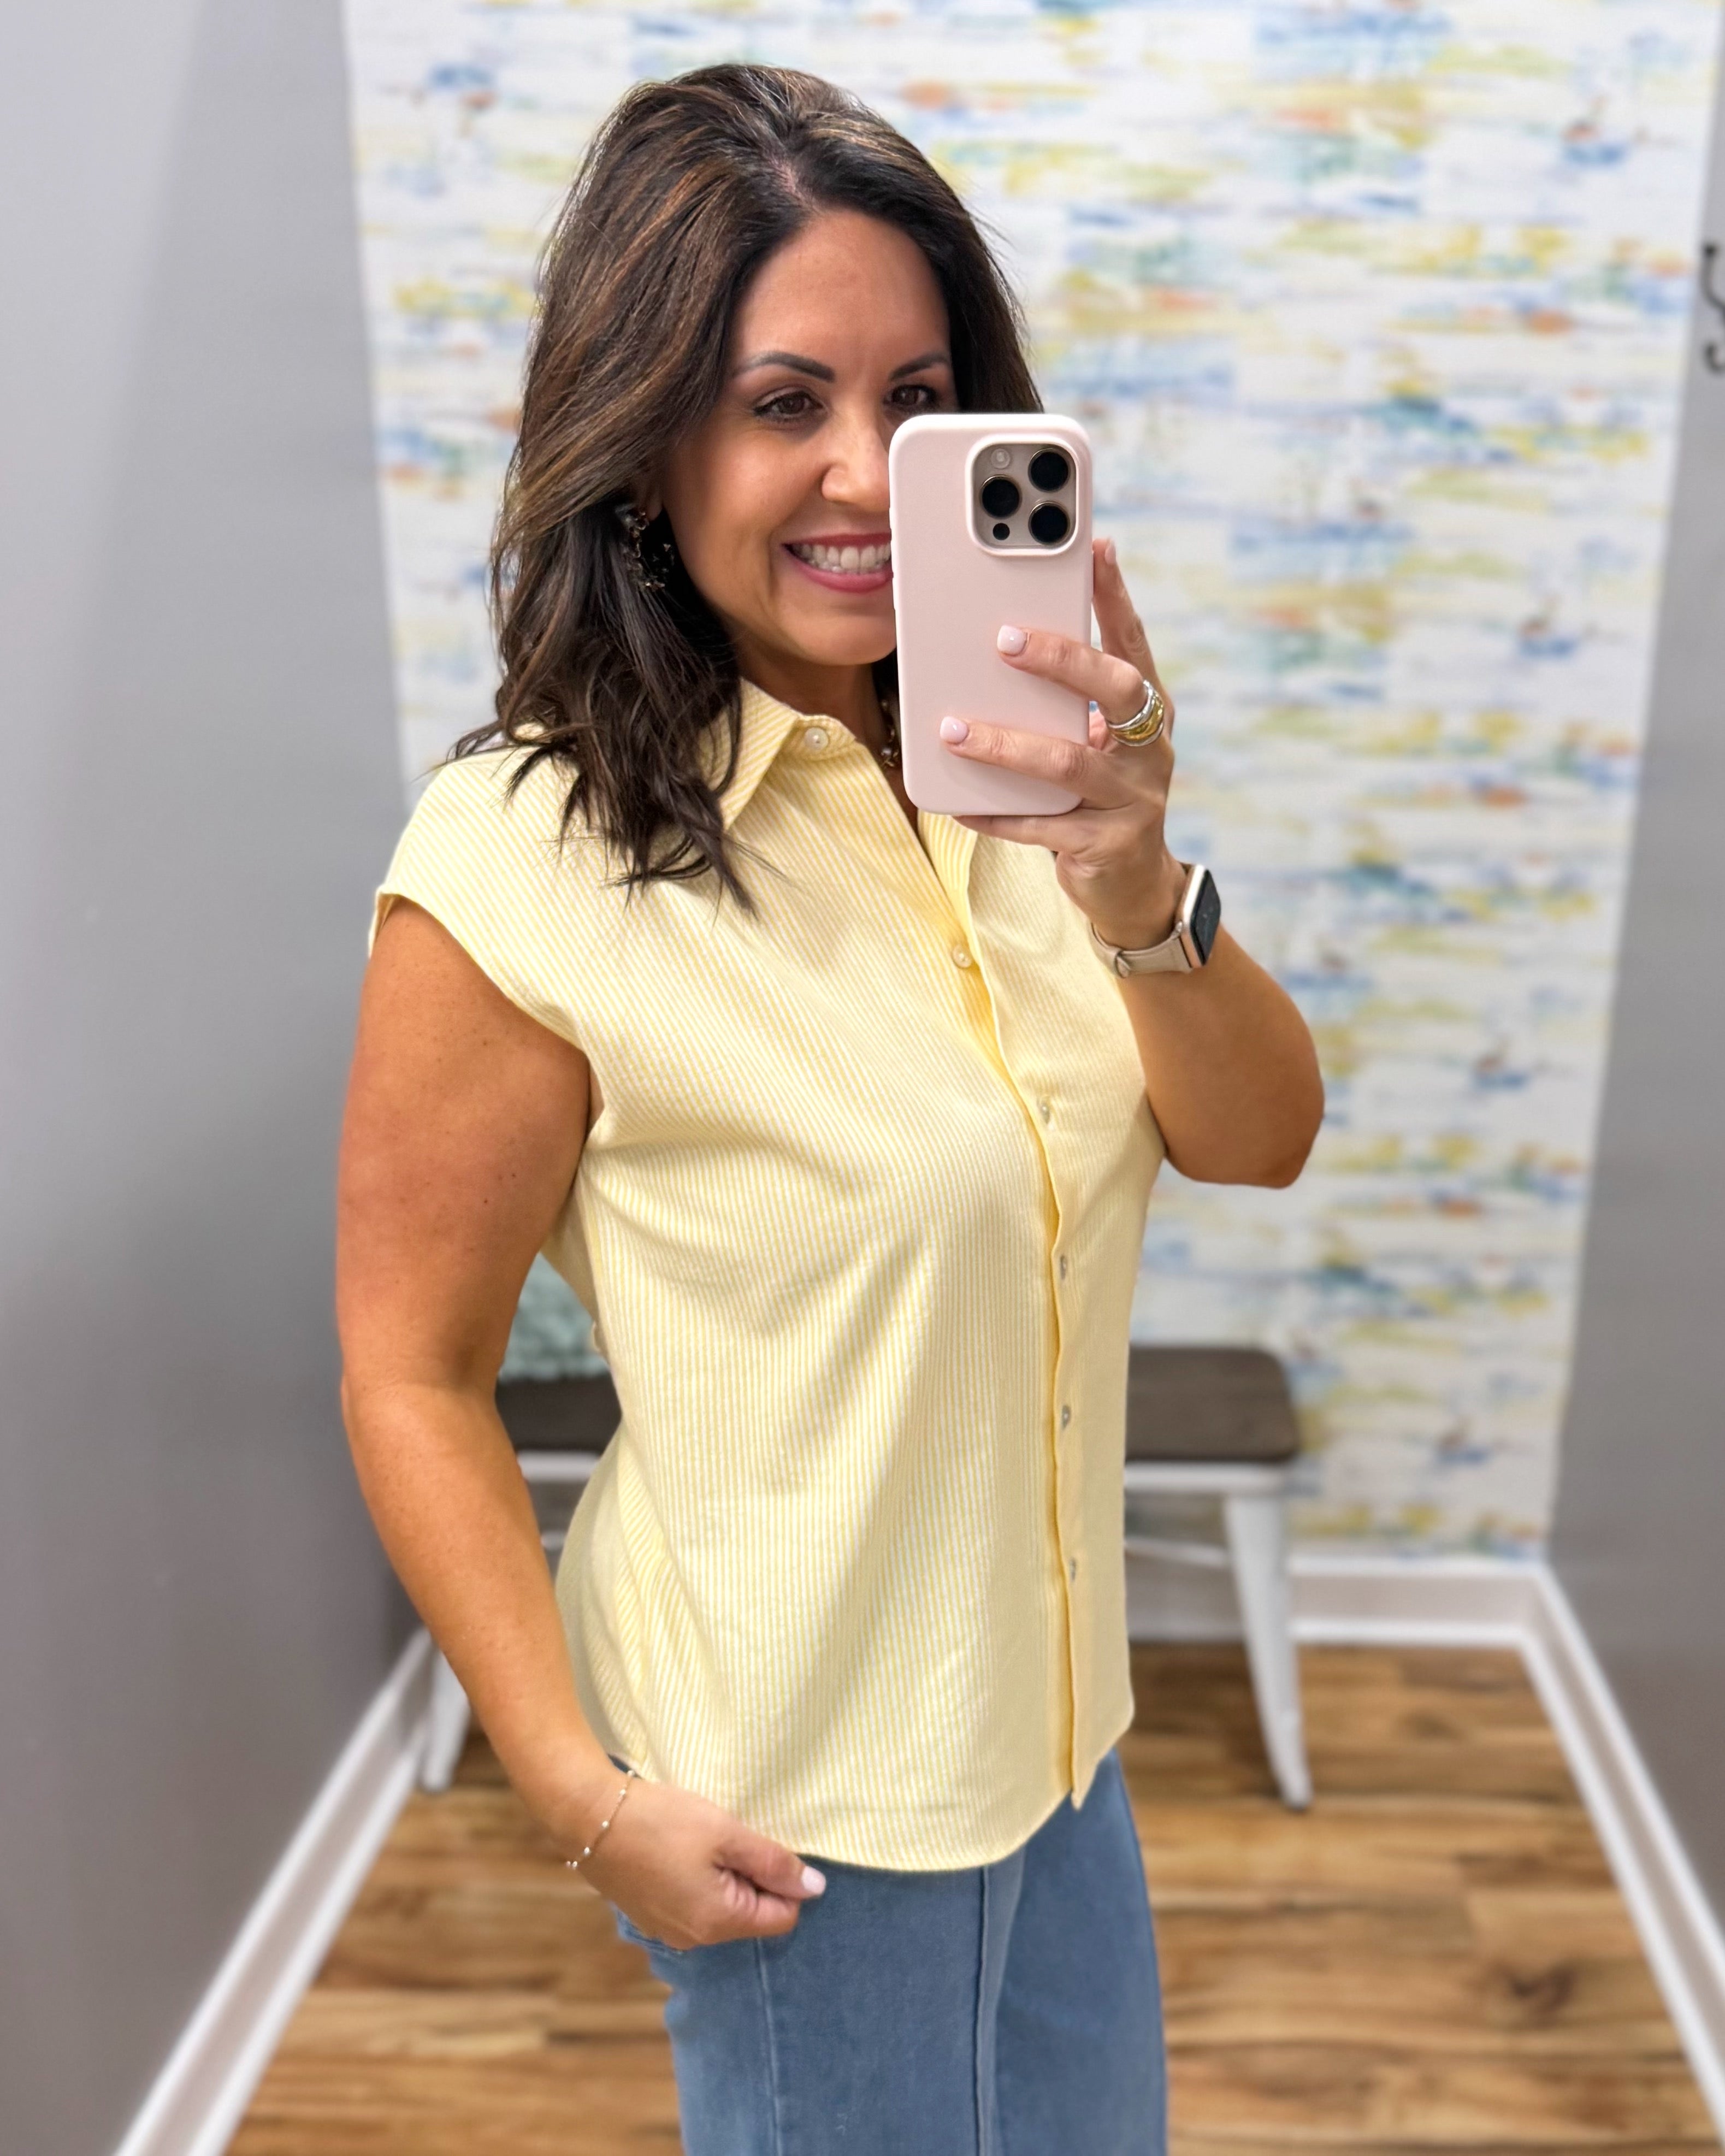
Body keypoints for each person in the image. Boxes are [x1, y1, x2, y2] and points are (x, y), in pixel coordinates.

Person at [336, 62, 1323, 2156]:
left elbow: (1256, 1135)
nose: (864, 471)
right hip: (799, 1809)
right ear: (649, 436)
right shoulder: (524, 859)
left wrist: (1135, 878)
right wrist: (580, 1794)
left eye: (917, 394)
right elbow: (407, 1367)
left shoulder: (1027, 769)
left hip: (1062, 1751)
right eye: (785, 401)